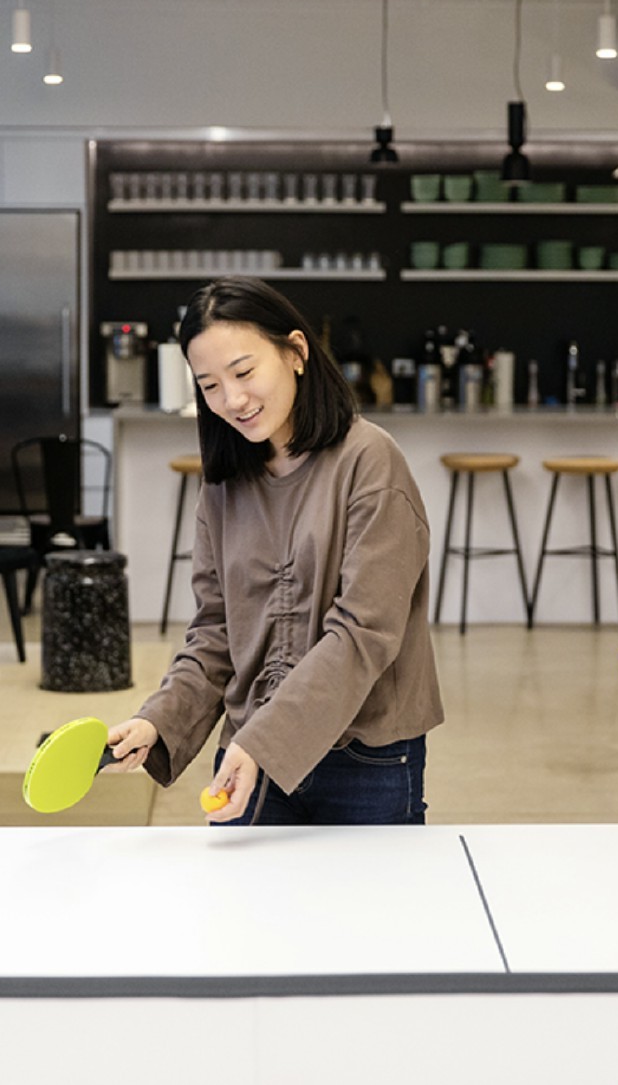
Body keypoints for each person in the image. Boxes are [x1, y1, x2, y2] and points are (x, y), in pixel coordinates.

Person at [106, 276, 443, 825]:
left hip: (365, 757)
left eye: (243, 372)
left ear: (296, 353)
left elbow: (364, 632)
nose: (232, 400)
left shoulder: (370, 462)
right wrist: (159, 721)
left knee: (370, 913)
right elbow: (216, 631)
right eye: (209, 385)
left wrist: (266, 741)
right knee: (245, 911)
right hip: (246, 754)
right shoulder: (224, 484)